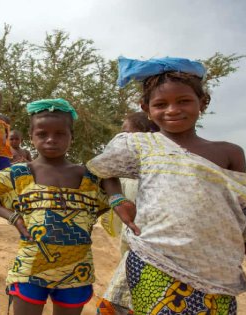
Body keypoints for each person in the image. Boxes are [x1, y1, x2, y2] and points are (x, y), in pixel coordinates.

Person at [87, 57, 246, 315]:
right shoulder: (138, 145)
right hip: (154, 262)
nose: (172, 110)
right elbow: (102, 169)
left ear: (203, 102)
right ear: (146, 108)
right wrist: (117, 200)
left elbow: (245, 221)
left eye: (183, 101)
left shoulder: (229, 153)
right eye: (160, 104)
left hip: (219, 276)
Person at [0, 98, 108, 315]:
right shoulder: (19, 173)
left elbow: (105, 202)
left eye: (60, 133)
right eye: (42, 134)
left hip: (76, 270)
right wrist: (13, 217)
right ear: (32, 137)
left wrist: (85, 220)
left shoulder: (89, 176)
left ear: (72, 136)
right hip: (29, 268)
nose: (51, 139)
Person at [96, 111, 158, 315]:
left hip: (143, 224)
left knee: (131, 250)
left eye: (126, 129)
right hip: (138, 214)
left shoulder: (132, 143)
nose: (123, 134)